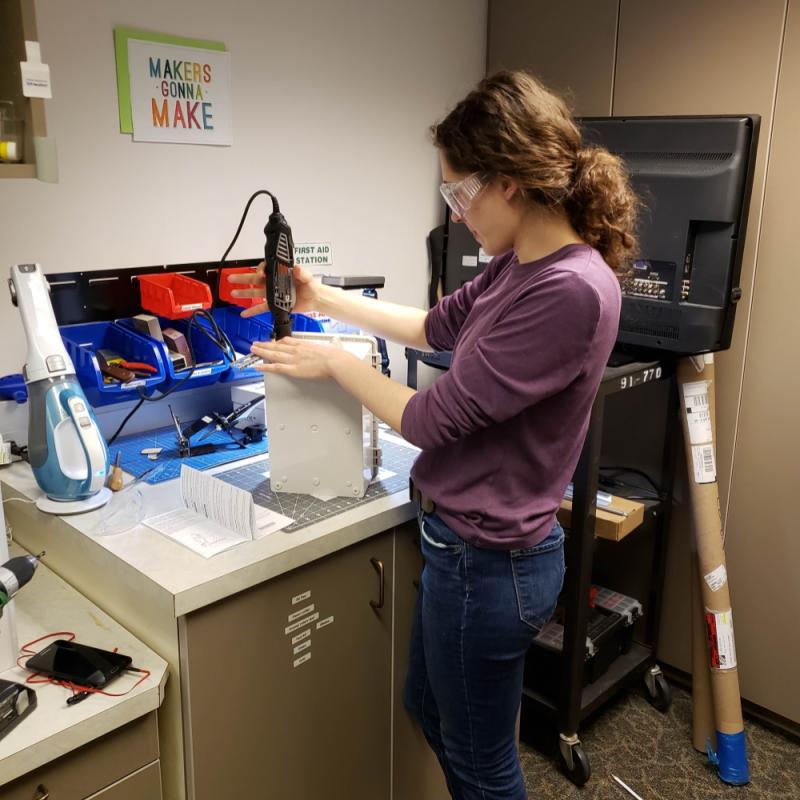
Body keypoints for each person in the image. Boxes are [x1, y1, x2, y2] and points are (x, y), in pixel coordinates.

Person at [228, 70, 638, 800]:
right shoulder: (522, 264)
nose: (454, 214)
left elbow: (431, 416)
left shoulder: (570, 289)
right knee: (428, 708)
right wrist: (326, 300)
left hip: (492, 565)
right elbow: (430, 327)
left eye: (458, 193)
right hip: (460, 552)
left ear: (507, 181)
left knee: (483, 767)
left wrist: (330, 363)